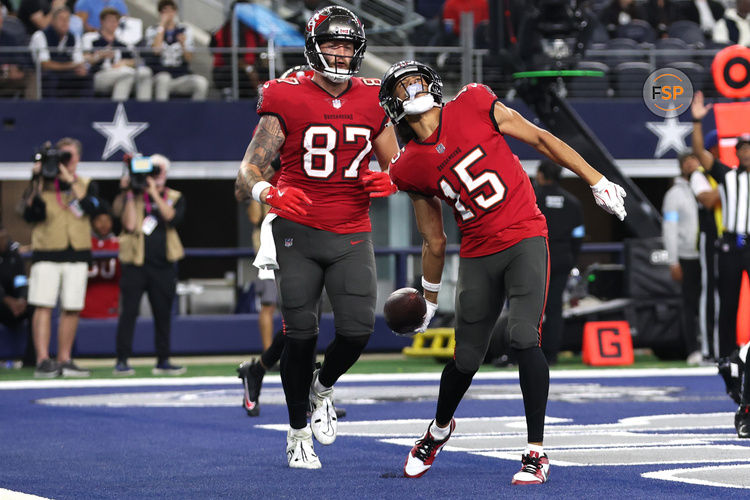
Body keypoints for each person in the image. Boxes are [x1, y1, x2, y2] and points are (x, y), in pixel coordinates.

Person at [377, 60, 627, 483]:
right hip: (477, 252)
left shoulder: (474, 101)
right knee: (466, 357)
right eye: (403, 87)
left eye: (418, 81)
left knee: (523, 337)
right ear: (393, 105)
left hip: (525, 234)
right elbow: (433, 238)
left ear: (434, 85)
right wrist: (430, 300)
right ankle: (438, 431)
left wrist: (595, 179)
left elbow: (542, 140)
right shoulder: (409, 166)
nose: (413, 89)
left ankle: (535, 452)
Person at [233, 6, 399, 469]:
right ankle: (296, 432)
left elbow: (397, 163)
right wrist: (270, 190)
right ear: (313, 45)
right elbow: (246, 172)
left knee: (358, 330)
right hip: (297, 230)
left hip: (351, 230)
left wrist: (394, 180)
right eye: (333, 43)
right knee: (300, 334)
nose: (341, 53)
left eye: (348, 45)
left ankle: (322, 387)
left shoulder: (373, 98)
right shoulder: (286, 95)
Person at [690, 95, 750, 439]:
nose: (745, 153)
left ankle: (742, 355)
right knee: (727, 302)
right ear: (736, 152)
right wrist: (698, 121)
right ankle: (727, 354)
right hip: (731, 243)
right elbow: (700, 154)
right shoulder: (726, 175)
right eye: (741, 149)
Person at [22, 137, 99, 378]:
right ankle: (43, 360)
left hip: (76, 252)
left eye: (69, 156)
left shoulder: (86, 183)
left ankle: (65, 358)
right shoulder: (41, 183)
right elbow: (30, 214)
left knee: (72, 307)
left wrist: (69, 180)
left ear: (78, 158)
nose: (64, 161)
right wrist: (37, 179)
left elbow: (92, 208)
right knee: (43, 305)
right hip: (47, 251)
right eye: (60, 156)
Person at [112, 154, 186, 376]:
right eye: (152, 171)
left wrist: (154, 191)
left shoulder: (174, 195)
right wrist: (130, 193)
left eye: (159, 171)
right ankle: (122, 360)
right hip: (135, 264)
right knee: (129, 314)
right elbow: (130, 224)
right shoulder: (134, 195)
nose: (156, 175)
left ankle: (163, 360)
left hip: (163, 265)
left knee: (163, 314)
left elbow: (171, 217)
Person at [533, 160, 584, 366]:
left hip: (535, 257)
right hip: (562, 258)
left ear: (542, 175)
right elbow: (578, 234)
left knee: (531, 308)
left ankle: (526, 353)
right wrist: (571, 256)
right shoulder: (572, 201)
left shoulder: (532, 198)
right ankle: (551, 355)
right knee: (554, 309)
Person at [662, 153, 703, 365]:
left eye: (694, 160)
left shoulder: (708, 188)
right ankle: (693, 348)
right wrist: (673, 260)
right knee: (689, 303)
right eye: (686, 163)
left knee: (710, 303)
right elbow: (670, 228)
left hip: (709, 254)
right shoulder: (674, 195)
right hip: (688, 256)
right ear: (681, 167)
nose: (691, 165)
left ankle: (710, 346)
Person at [81, 7, 151, 100]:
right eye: (110, 21)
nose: (113, 24)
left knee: (145, 72)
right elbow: (83, 58)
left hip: (122, 73)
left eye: (115, 21)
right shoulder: (91, 38)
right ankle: (118, 109)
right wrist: (99, 55)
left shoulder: (123, 43)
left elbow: (138, 61)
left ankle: (144, 110)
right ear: (102, 22)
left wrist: (125, 62)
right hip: (100, 75)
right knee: (126, 74)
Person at [144, 0, 208, 101]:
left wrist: (183, 44)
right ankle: (162, 114)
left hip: (180, 76)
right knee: (164, 78)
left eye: (171, 10)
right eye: (165, 11)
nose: (168, 14)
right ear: (160, 13)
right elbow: (156, 50)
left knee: (201, 83)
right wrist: (162, 26)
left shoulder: (185, 30)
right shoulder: (152, 30)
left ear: (175, 12)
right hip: (159, 76)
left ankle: (195, 115)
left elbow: (189, 58)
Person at [29, 6, 93, 98]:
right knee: (50, 78)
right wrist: (71, 65)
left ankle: (85, 109)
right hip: (45, 74)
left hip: (67, 73)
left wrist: (81, 69)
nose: (65, 22)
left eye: (67, 19)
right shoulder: (40, 36)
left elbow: (78, 61)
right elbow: (45, 65)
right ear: (53, 21)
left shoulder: (73, 38)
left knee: (86, 77)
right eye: (61, 19)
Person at [210, 0, 266, 99]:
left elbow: (261, 54)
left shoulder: (256, 33)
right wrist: (248, 69)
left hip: (252, 69)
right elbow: (226, 57)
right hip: (227, 69)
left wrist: (263, 63)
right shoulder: (225, 31)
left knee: (274, 73)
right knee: (241, 75)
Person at [80, 202, 120, 318]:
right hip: (85, 308)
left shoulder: (118, 244)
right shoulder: (83, 243)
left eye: (107, 220)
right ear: (92, 222)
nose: (104, 224)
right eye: (99, 220)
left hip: (112, 307)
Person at [0, 226, 32, 365]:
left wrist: (21, 299)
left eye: (4, 238)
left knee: (36, 307)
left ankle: (33, 358)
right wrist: (7, 300)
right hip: (2, 303)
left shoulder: (13, 255)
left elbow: (21, 280)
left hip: (15, 305)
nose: (3, 242)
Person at [0, 5, 35, 98]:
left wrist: (18, 69)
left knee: (31, 77)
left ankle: (33, 109)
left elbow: (21, 59)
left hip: (8, 76)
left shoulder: (10, 38)